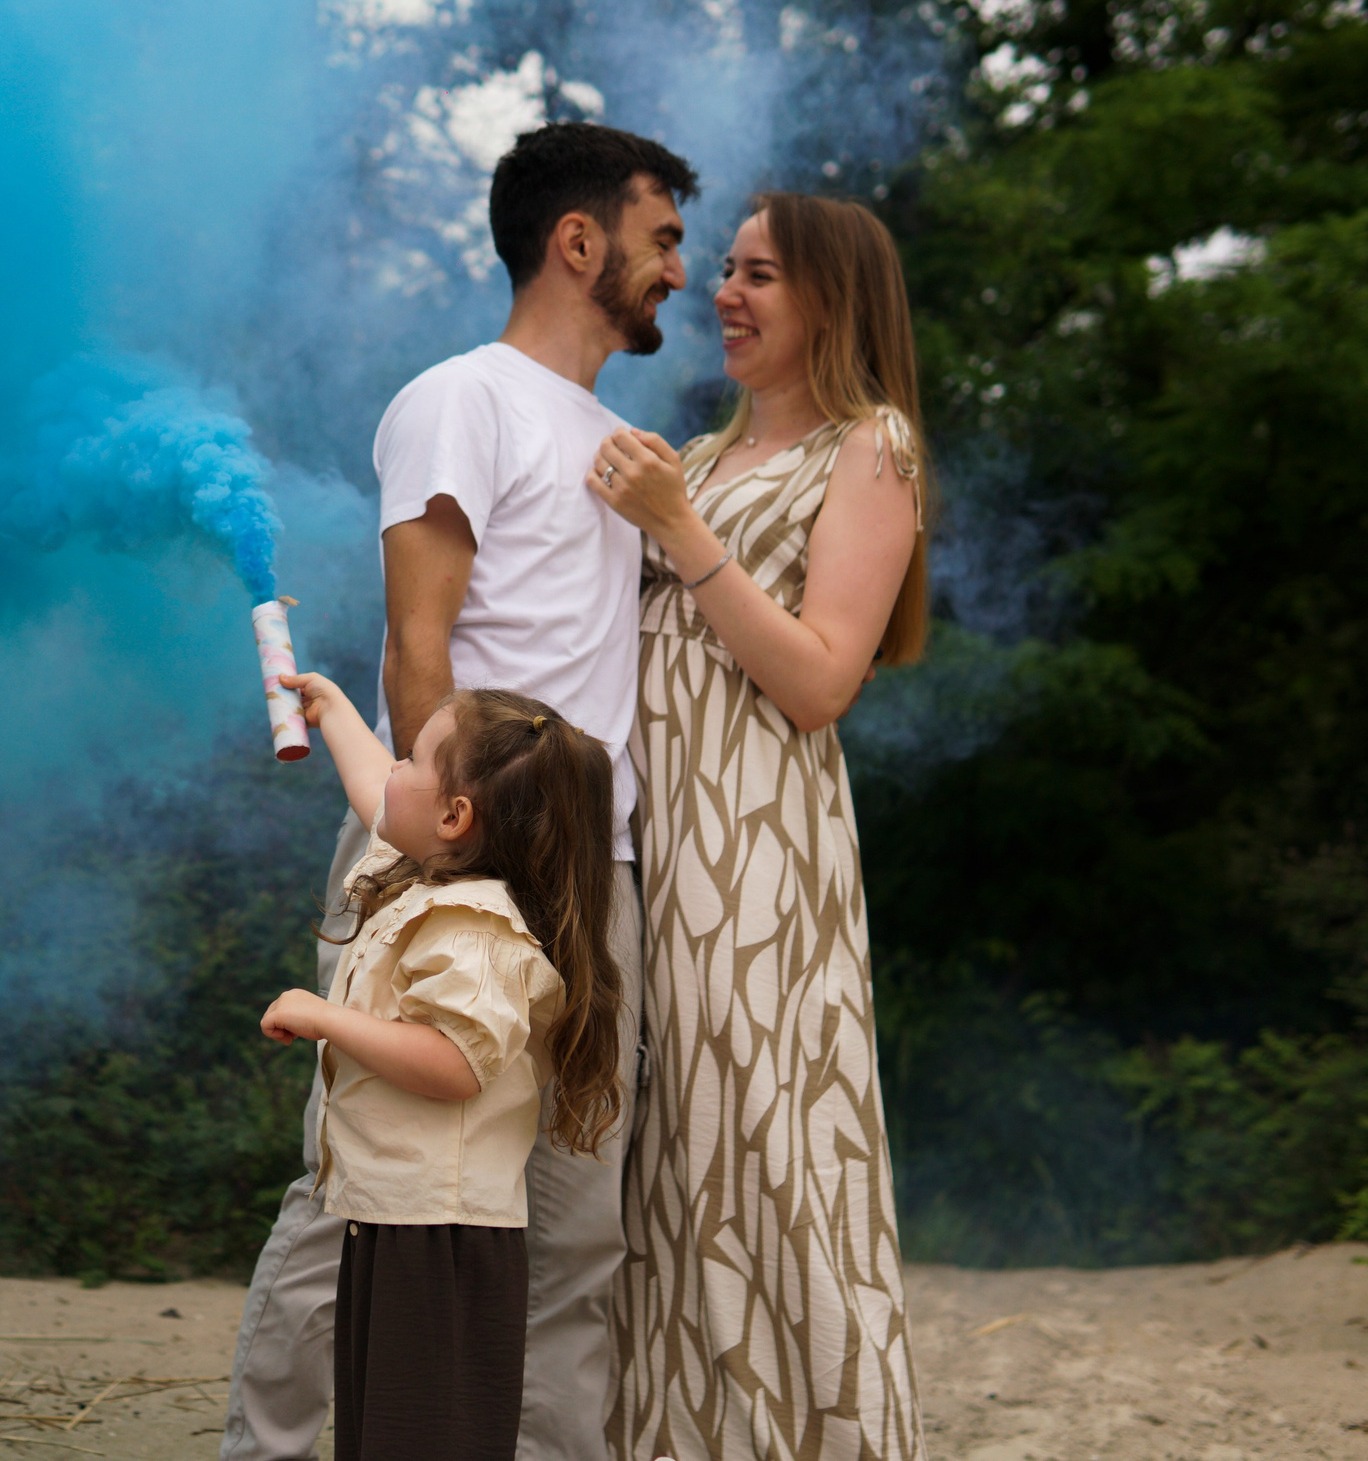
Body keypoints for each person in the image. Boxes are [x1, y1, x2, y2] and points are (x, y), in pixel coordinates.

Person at [223, 119, 696, 1461]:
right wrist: (450, 867)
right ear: (578, 240)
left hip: (590, 870)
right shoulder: (461, 398)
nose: (678, 267)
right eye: (662, 236)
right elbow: (415, 644)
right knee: (366, 1193)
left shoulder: (620, 438)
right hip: (453, 861)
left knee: (575, 1212)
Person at [587, 193, 931, 1459]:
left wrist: (678, 533)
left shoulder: (869, 446)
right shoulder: (697, 450)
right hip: (650, 837)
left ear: (833, 299)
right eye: (723, 270)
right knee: (662, 1164)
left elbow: (823, 681)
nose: (722, 294)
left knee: (768, 1158)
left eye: (760, 276)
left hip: (757, 855)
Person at [260, 670, 624, 1461]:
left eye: (414, 760)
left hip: (442, 1239)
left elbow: (456, 1061)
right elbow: (376, 793)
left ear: (456, 816)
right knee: (382, 1430)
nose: (394, 771)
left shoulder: (474, 931)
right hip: (396, 1219)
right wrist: (335, 713)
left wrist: (329, 1018)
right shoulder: (429, 878)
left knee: (422, 1436)